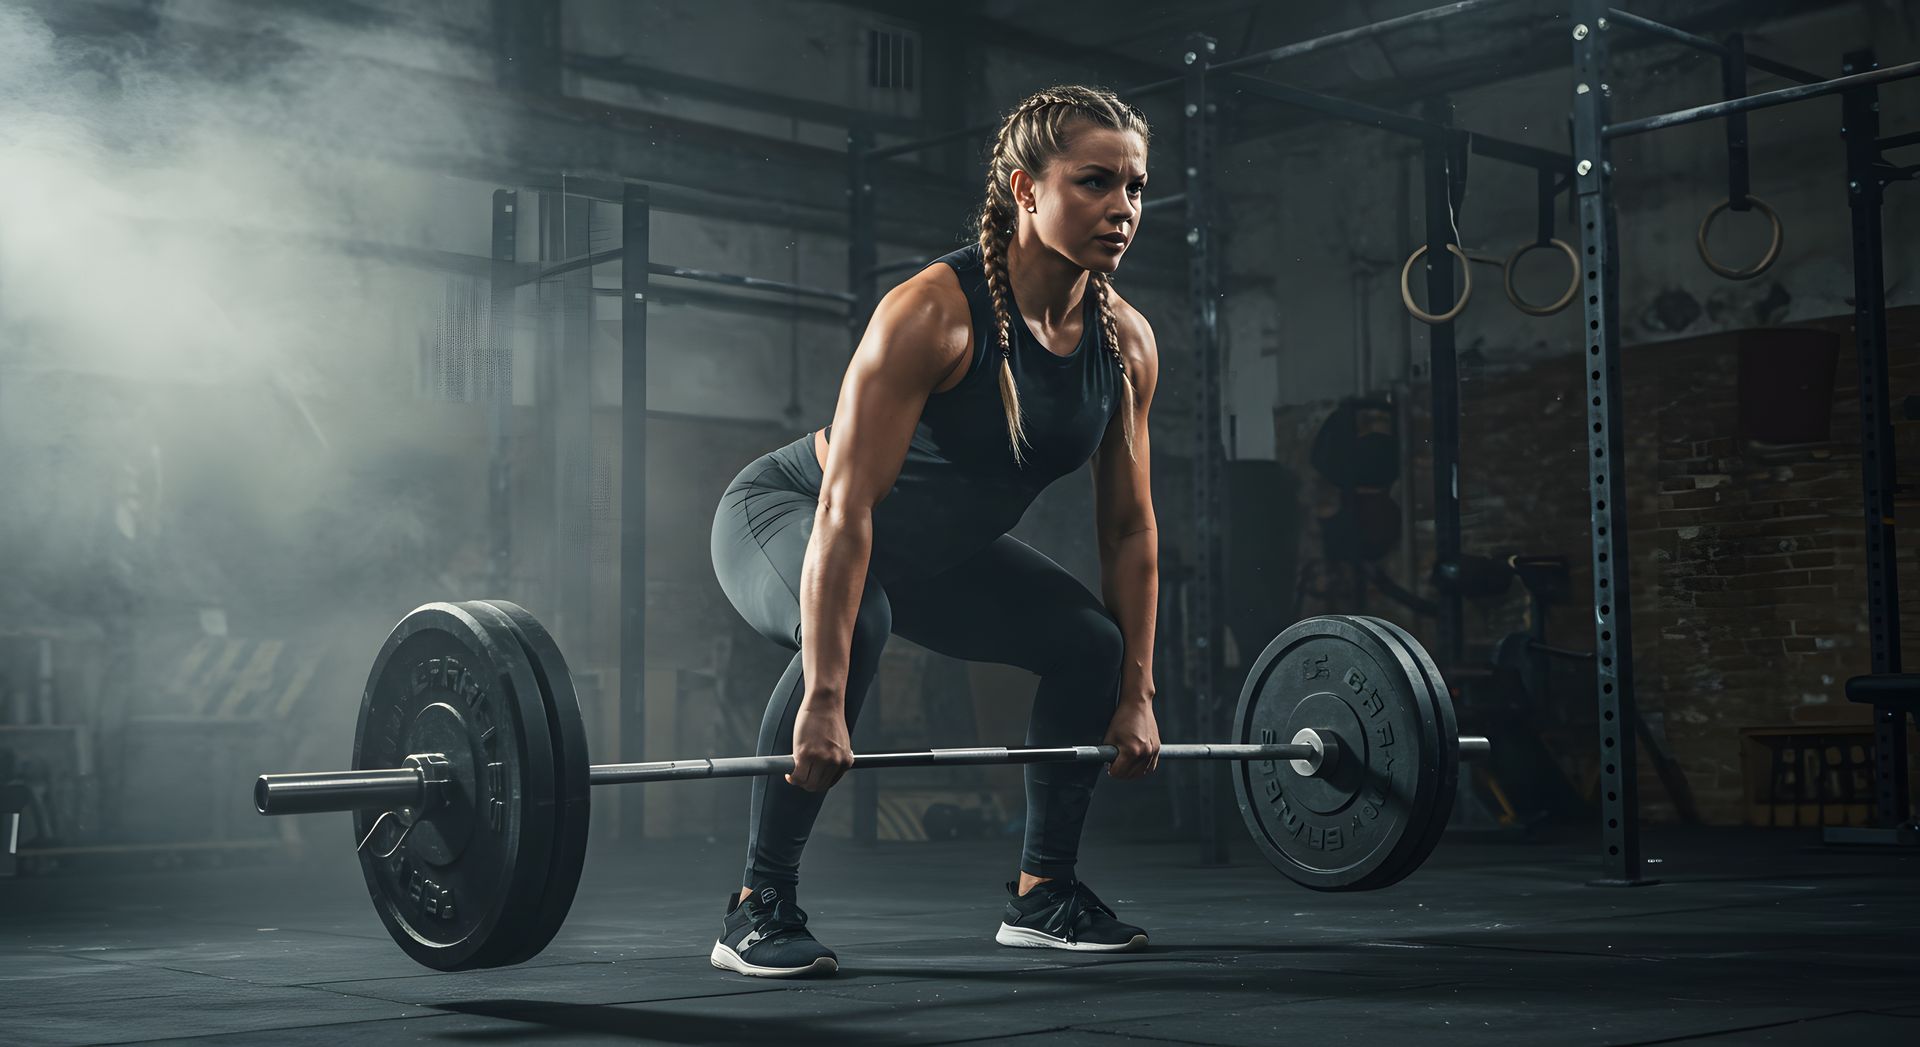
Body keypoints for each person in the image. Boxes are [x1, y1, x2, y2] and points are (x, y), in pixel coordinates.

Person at [707, 85, 1161, 978]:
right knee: (859, 620)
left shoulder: (1127, 344)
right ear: (1026, 189)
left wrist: (1137, 693)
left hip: (929, 558)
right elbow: (844, 510)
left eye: (1135, 187)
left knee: (1091, 644)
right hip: (790, 511)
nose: (1122, 208)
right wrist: (824, 698)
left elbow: (1129, 527)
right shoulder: (934, 313)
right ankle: (757, 905)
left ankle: (1044, 895)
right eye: (1095, 182)